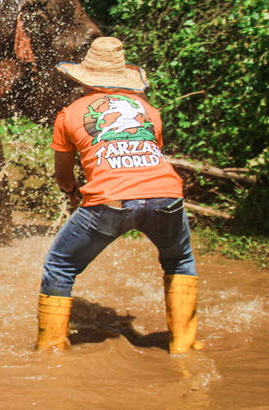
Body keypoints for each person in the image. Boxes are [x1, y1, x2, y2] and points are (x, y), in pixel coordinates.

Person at [36, 36, 202, 354]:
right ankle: (183, 345)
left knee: (60, 266)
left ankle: (50, 347)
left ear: (84, 78)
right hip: (165, 195)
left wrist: (72, 192)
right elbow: (147, 158)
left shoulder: (69, 114)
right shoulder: (149, 111)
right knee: (179, 260)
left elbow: (62, 175)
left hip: (109, 202)